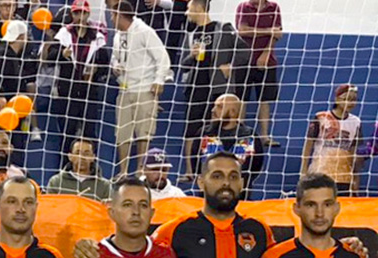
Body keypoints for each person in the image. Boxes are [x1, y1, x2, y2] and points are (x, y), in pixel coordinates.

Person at [180, 0, 243, 172]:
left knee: (215, 130)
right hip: (195, 88)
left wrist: (232, 65)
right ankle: (190, 171)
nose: (187, 13)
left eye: (189, 8)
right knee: (192, 129)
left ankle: (214, 168)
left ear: (199, 8)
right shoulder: (191, 34)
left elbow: (244, 51)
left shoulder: (223, 29)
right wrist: (192, 56)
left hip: (217, 89)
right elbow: (183, 65)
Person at [110, 0, 170, 176]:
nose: (111, 19)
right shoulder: (117, 36)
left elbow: (163, 57)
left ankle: (140, 170)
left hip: (145, 89)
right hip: (124, 89)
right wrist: (115, 65)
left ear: (120, 15)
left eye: (113, 15)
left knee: (143, 133)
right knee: (122, 133)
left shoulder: (145, 32)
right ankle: (123, 171)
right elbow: (115, 57)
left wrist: (159, 80)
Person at [51, 0, 108, 144]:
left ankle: (92, 164)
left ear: (88, 14)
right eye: (77, 13)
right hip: (67, 90)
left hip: (89, 90)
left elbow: (105, 64)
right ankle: (65, 164)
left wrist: (96, 69)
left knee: (90, 132)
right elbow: (51, 57)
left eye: (83, 13)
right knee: (67, 132)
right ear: (72, 14)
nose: (80, 17)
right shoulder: (64, 33)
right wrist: (62, 54)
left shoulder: (97, 36)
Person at [193, 92, 266, 188]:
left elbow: (256, 165)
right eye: (214, 106)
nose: (213, 110)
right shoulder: (204, 133)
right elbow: (194, 161)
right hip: (208, 194)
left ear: (233, 112)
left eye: (219, 107)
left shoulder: (249, 136)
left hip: (241, 196)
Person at [234, 0, 281, 144]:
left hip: (267, 62)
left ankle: (265, 136)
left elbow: (277, 34)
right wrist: (267, 31)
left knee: (265, 100)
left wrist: (266, 54)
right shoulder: (243, 7)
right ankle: (239, 134)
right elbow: (242, 30)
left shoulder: (274, 7)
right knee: (242, 99)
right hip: (244, 60)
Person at [301, 84, 362, 194]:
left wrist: (355, 177)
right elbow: (308, 145)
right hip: (320, 172)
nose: (350, 103)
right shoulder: (321, 117)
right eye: (347, 99)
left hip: (343, 176)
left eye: (353, 100)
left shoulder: (356, 122)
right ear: (337, 99)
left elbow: (353, 151)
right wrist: (303, 170)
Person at [45, 136, 111, 200]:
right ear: (70, 156)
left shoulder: (104, 185)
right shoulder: (56, 182)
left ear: (93, 157)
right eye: (77, 153)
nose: (82, 157)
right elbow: (49, 207)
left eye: (86, 153)